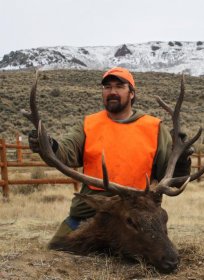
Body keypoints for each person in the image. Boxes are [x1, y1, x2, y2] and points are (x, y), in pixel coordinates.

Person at [28, 67, 193, 245]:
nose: (112, 91)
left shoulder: (154, 128)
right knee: (57, 250)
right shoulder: (89, 124)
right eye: (107, 87)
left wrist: (182, 161)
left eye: (119, 86)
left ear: (131, 93)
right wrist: (49, 145)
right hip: (90, 212)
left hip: (136, 218)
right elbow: (65, 153)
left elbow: (171, 177)